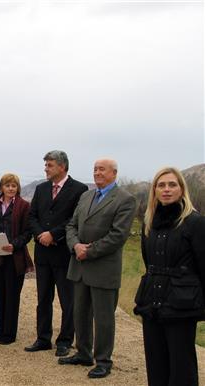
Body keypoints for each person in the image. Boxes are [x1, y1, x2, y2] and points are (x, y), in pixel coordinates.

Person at [61, 158, 136, 379]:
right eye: (95, 169)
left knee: (103, 319)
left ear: (114, 172)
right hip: (80, 265)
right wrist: (75, 245)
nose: (97, 173)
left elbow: (118, 235)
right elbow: (71, 225)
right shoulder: (86, 196)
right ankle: (83, 353)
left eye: (102, 169)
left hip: (103, 268)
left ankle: (103, 361)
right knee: (80, 313)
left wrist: (89, 250)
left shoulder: (125, 199)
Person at [133, 167, 205, 386]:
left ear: (182, 189)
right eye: (161, 185)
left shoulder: (195, 223)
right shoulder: (149, 223)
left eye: (172, 184)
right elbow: (149, 263)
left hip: (181, 304)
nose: (166, 189)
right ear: (154, 190)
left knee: (182, 368)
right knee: (156, 365)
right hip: (152, 302)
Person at [25, 151, 88, 357]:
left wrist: (53, 234)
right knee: (43, 298)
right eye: (46, 165)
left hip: (63, 254)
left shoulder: (79, 189)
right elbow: (32, 216)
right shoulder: (41, 188)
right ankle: (43, 338)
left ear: (62, 167)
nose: (46, 169)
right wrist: (41, 235)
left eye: (49, 165)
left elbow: (74, 220)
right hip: (42, 254)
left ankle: (65, 341)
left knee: (67, 300)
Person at [0, 173, 33, 344]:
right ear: (1, 187)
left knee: (12, 294)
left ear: (17, 188)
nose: (11, 188)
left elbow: (28, 232)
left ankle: (9, 334)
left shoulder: (24, 206)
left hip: (15, 256)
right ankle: (0, 329)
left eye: (14, 186)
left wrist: (14, 244)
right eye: (7, 185)